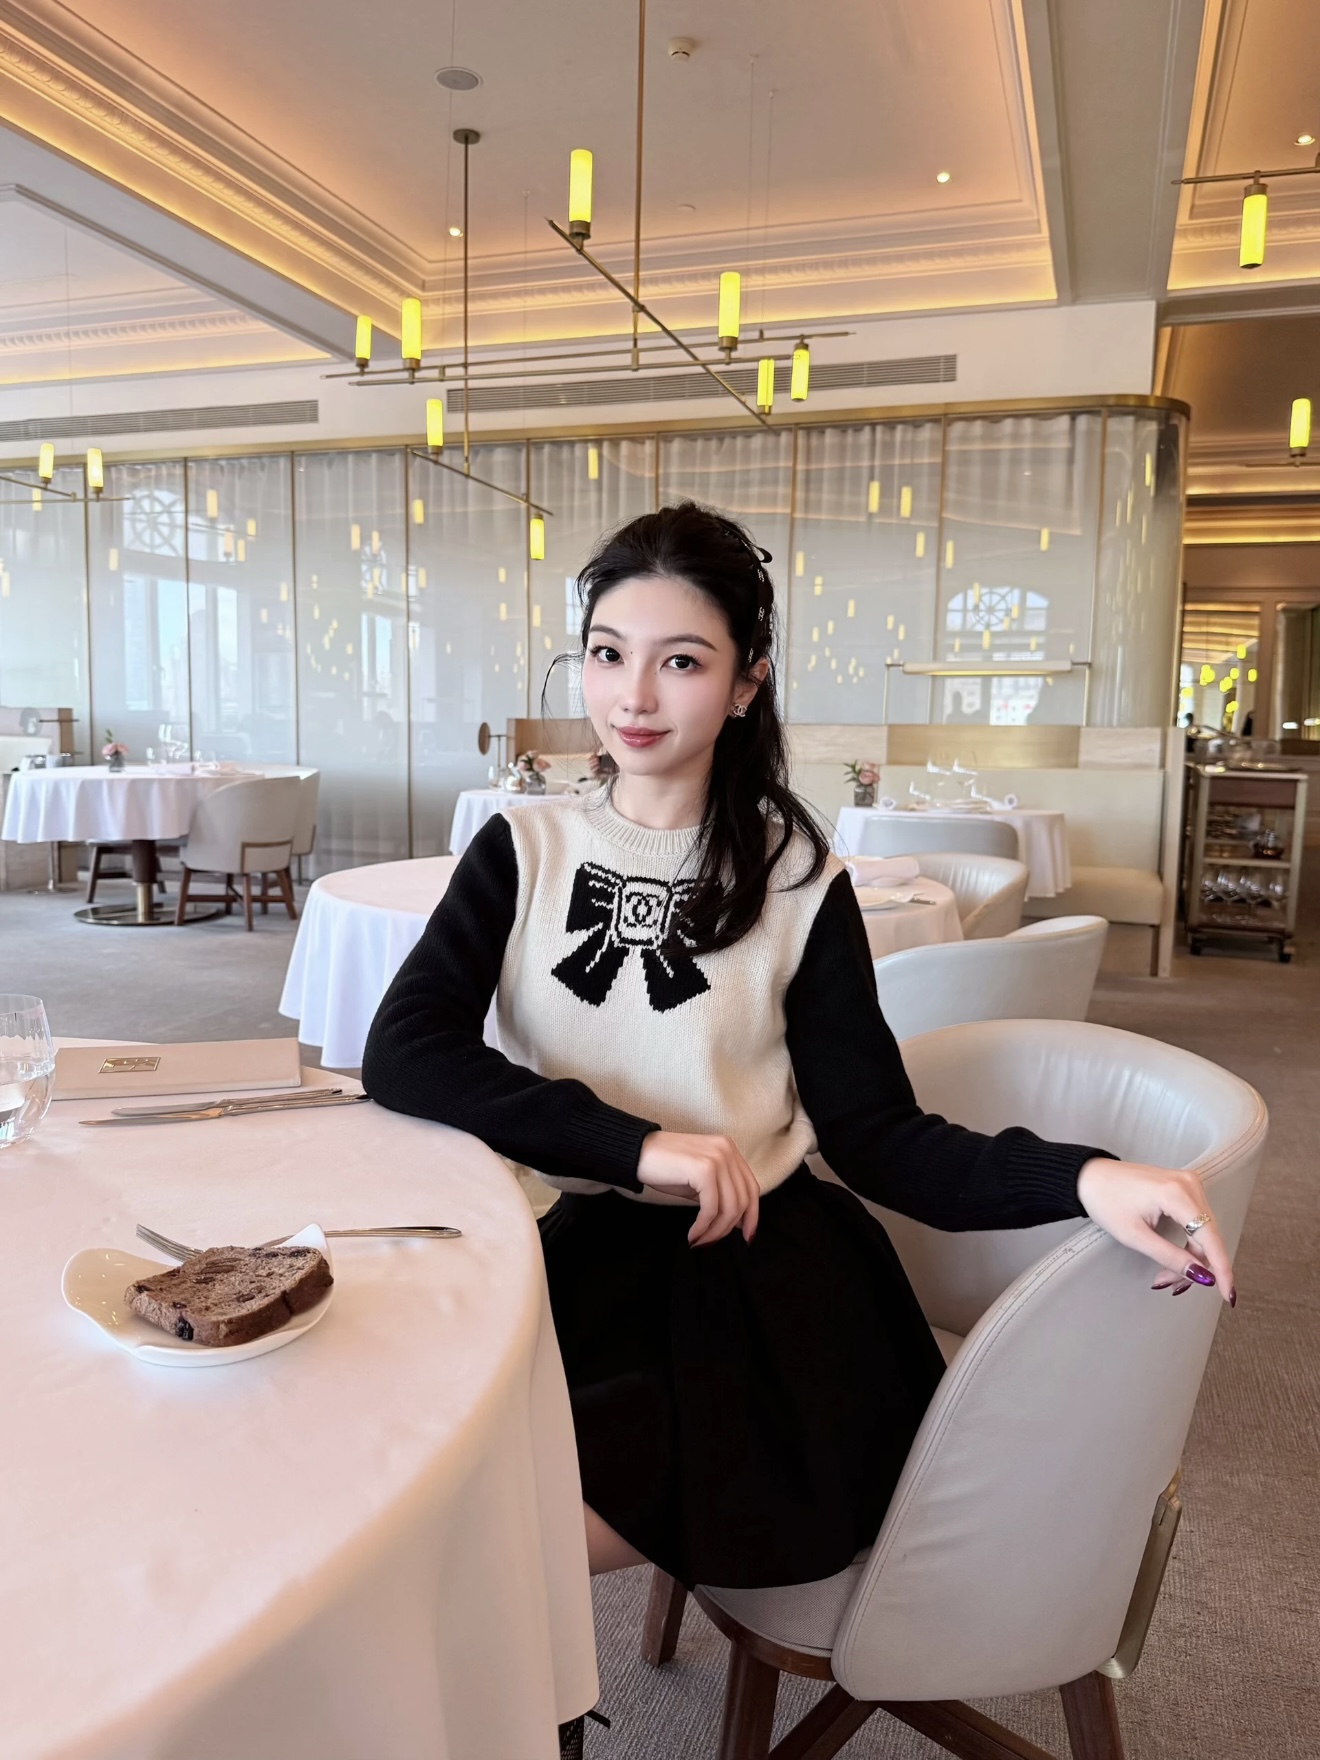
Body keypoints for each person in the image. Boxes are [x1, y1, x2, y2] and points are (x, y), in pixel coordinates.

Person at [362, 502, 1234, 1759]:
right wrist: (634, 1142)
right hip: (573, 1263)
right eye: (607, 653)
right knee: (418, 1478)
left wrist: (1081, 1174)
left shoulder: (794, 875)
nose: (633, 695)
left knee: (503, 1531)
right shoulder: (523, 844)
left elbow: (878, 1134)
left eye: (681, 659)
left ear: (745, 680)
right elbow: (407, 1047)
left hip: (758, 1284)